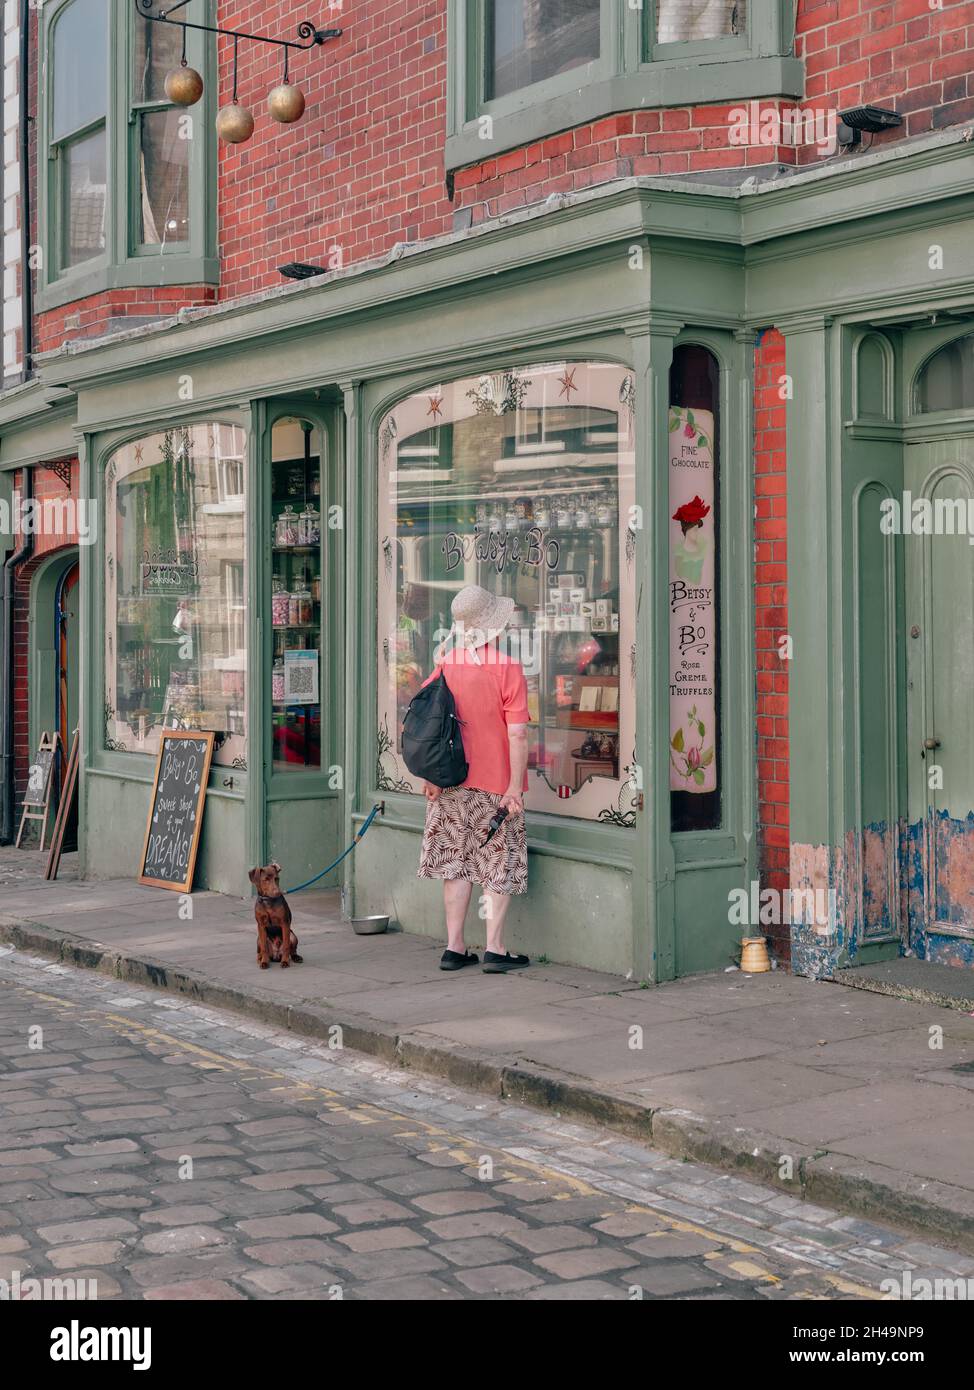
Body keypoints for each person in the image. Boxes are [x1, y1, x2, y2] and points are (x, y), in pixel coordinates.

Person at [417, 584, 531, 974]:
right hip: (497, 786)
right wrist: (514, 786)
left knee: (456, 863)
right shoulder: (506, 667)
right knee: (495, 864)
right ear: (493, 626)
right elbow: (518, 732)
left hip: (450, 782)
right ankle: (495, 949)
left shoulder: (446, 662)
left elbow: (425, 724)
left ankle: (454, 947)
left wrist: (430, 776)